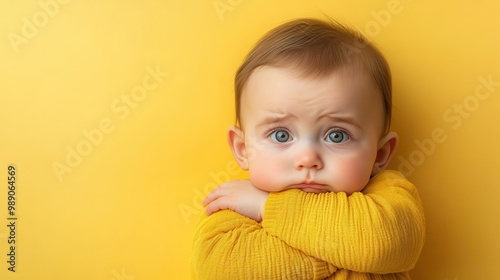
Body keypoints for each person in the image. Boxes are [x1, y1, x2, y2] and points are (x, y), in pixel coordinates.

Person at [192, 18, 425, 280]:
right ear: (243, 148)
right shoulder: (234, 204)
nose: (307, 159)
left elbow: (384, 245)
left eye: (336, 136)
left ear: (380, 155)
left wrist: (268, 206)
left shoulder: (389, 195)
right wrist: (350, 252)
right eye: (281, 135)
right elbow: (224, 271)